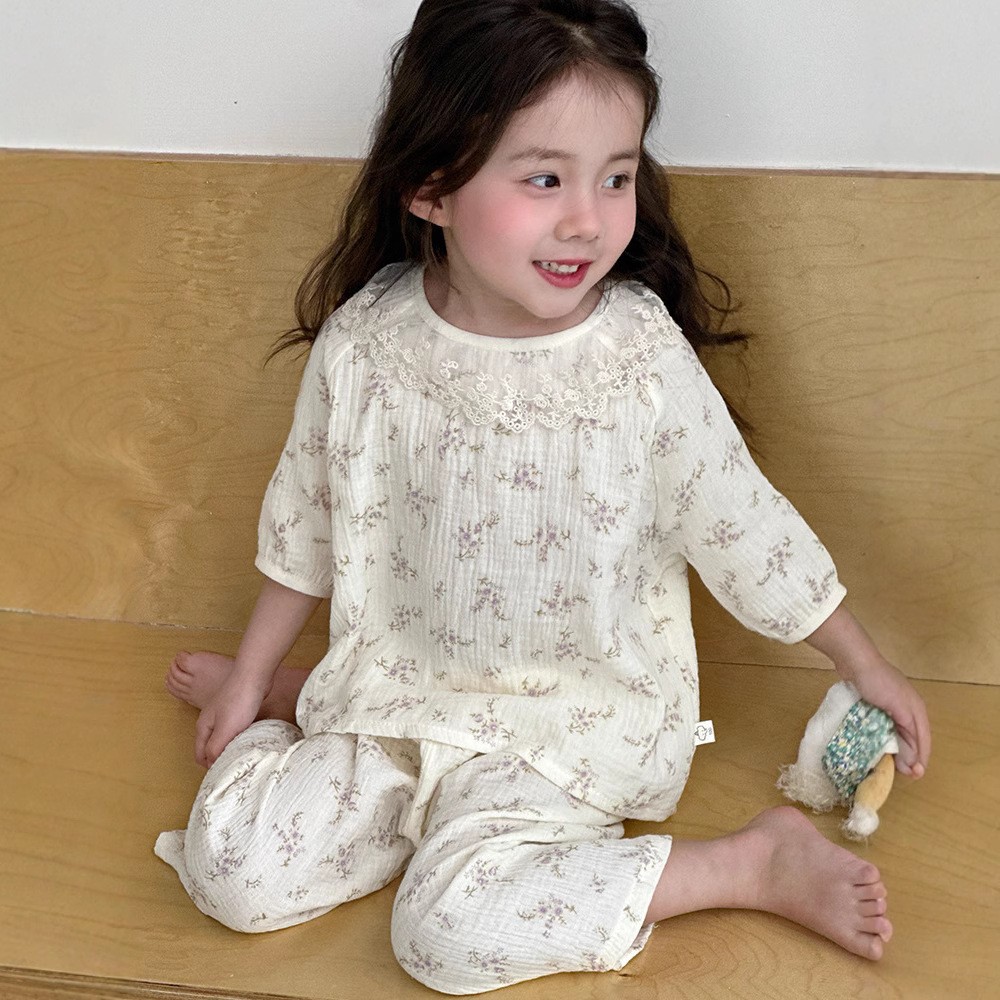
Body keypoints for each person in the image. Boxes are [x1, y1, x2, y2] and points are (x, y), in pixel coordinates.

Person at [155, 0, 931, 992]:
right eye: (545, 179)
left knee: (444, 936)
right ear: (431, 186)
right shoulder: (367, 344)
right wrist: (249, 673)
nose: (588, 220)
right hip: (393, 696)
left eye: (616, 177)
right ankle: (294, 697)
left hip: (561, 731)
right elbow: (308, 523)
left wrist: (864, 662)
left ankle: (747, 862)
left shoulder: (635, 357)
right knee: (235, 872)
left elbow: (741, 522)